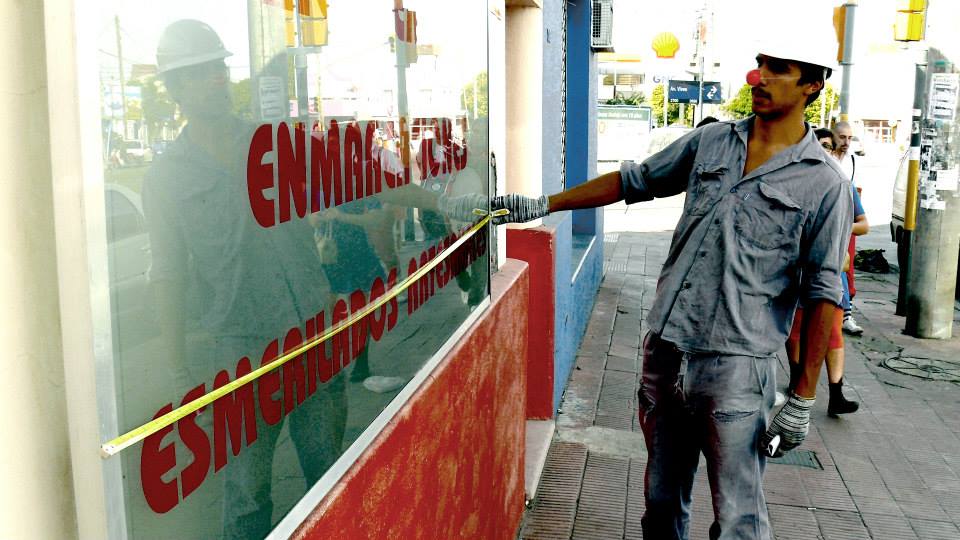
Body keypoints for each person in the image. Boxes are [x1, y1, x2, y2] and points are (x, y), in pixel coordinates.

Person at [491, 34, 852, 539]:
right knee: (661, 502)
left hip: (736, 368)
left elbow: (824, 293)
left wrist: (803, 399)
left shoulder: (825, 183)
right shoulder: (713, 141)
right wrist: (544, 204)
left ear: (812, 85)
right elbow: (634, 180)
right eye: (760, 63)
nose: (760, 77)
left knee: (739, 517)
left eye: (779, 69)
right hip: (667, 350)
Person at [782, 129, 863, 417]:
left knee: (833, 332)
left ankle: (835, 393)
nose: (825, 150)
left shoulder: (842, 183)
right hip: (797, 271)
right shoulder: (796, 181)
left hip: (831, 271)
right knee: (795, 330)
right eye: (820, 144)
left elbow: (863, 223)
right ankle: (798, 384)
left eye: (829, 146)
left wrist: (835, 224)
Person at [832, 121, 866, 335]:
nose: (846, 142)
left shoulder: (853, 161)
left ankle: (847, 314)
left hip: (846, 221)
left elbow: (857, 193)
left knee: (847, 267)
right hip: (828, 220)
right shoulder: (827, 158)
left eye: (849, 138)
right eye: (842, 137)